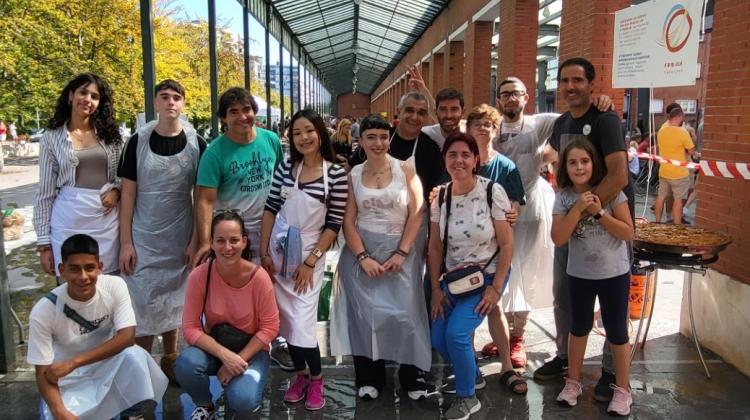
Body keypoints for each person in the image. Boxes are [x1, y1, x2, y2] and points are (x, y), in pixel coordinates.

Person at [491, 77, 612, 368]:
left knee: (527, 273)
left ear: (526, 97)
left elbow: (576, 117)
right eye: (505, 94)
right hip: (494, 210)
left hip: (531, 210)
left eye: (516, 94)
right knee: (498, 271)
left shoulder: (540, 123)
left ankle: (517, 337)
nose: (510, 99)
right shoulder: (490, 123)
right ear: (498, 100)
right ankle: (501, 335)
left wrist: (600, 103)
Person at [539, 57, 632, 404]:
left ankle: (612, 374)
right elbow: (555, 159)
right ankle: (567, 364)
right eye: (564, 81)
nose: (570, 87)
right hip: (572, 227)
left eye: (578, 80)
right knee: (566, 299)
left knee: (614, 315)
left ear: (591, 84)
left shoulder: (605, 119)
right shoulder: (562, 122)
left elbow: (619, 175)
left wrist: (588, 214)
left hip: (604, 230)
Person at [190, 87, 292, 370]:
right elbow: (205, 200)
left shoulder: (270, 140)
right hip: (235, 231)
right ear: (224, 118)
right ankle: (244, 339)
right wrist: (206, 240)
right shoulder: (215, 153)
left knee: (273, 282)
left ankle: (277, 337)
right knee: (241, 285)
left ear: (254, 112)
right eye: (233, 112)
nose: (242, 117)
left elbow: (284, 181)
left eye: (246, 110)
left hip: (270, 225)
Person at [334, 115, 433, 401]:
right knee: (365, 317)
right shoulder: (354, 174)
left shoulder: (406, 170)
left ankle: (411, 375)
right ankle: (369, 377)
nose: (378, 143)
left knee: (407, 313)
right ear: (361, 140)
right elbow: (348, 221)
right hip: (362, 252)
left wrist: (402, 251)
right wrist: (362, 256)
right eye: (371, 137)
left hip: (400, 252)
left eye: (382, 137)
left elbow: (417, 212)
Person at [259, 109, 348, 410]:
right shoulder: (285, 166)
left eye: (309, 130)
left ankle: (318, 378)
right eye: (297, 132)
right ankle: (300, 376)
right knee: (285, 323)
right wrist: (263, 252)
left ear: (320, 132)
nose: (303, 137)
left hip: (310, 254)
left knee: (302, 325)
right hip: (279, 251)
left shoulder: (335, 173)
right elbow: (271, 207)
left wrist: (311, 262)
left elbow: (333, 224)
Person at [118, 79, 206, 381]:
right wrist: (126, 242)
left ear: (183, 104)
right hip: (144, 235)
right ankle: (141, 368)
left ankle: (171, 358)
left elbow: (202, 197)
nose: (171, 102)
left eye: (177, 97)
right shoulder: (137, 141)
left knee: (174, 301)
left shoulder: (197, 142)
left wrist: (197, 240)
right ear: (155, 103)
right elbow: (127, 194)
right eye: (164, 97)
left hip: (181, 234)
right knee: (141, 302)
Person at [27, 234, 168, 420]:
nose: (83, 277)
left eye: (89, 268)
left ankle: (133, 414)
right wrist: (59, 411)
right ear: (62, 270)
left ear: (100, 267)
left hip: (106, 366)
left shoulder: (115, 286)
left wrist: (73, 362)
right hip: (68, 379)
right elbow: (43, 372)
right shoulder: (43, 311)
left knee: (135, 356)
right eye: (75, 269)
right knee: (56, 414)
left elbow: (127, 337)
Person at [429, 132, 514, 420]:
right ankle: (473, 374)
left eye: (466, 154)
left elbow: (507, 244)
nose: (459, 160)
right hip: (455, 280)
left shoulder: (491, 191)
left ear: (476, 159)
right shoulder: (440, 196)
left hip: (487, 277)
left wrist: (496, 288)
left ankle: (468, 398)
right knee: (439, 336)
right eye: (452, 155)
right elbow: (435, 246)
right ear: (445, 160)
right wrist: (435, 289)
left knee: (457, 333)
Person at [551, 139, 634, 415]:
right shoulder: (563, 197)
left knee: (617, 332)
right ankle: (573, 382)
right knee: (579, 328)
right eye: (572, 162)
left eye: (584, 161)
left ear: (594, 163)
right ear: (565, 167)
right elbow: (558, 238)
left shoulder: (611, 195)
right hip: (580, 275)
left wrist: (598, 212)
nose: (579, 167)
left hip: (614, 274)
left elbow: (627, 232)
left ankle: (623, 389)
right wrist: (577, 209)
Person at [175, 211, 280, 419]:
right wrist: (226, 356)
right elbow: (190, 328)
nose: (228, 247)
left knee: (242, 400)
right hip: (216, 347)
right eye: (220, 241)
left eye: (234, 240)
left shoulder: (259, 278)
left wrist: (237, 361)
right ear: (211, 243)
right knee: (186, 363)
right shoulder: (199, 276)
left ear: (244, 242)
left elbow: (270, 327)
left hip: (252, 351)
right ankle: (205, 405)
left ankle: (245, 390)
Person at [459, 104, 527, 395]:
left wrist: (513, 212)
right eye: (478, 124)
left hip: (495, 249)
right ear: (469, 129)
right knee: (468, 305)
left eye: (489, 124)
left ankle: (506, 366)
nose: (483, 129)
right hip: (462, 251)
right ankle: (470, 364)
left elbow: (516, 202)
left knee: (494, 304)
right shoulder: (460, 162)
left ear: (495, 130)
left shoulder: (506, 166)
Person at [33, 73, 124, 277]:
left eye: (94, 96)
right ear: (70, 96)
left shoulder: (112, 136)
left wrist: (117, 191)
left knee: (107, 285)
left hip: (106, 221)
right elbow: (45, 193)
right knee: (72, 285)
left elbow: (123, 176)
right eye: (83, 93)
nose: (88, 100)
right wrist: (44, 244)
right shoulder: (51, 138)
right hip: (67, 221)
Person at [653, 103, 696, 224]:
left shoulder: (661, 130)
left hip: (664, 171)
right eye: (682, 118)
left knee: (661, 197)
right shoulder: (682, 132)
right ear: (679, 117)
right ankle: (677, 226)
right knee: (678, 200)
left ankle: (657, 221)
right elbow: (692, 151)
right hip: (679, 173)